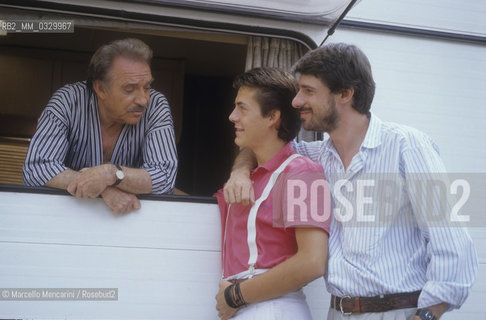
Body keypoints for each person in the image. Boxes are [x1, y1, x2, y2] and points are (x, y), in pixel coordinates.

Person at [223, 43, 477, 319]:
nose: (296, 101)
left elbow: (452, 245)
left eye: (308, 91)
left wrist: (428, 314)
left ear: (345, 94)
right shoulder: (315, 157)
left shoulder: (407, 146)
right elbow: (262, 145)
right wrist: (240, 171)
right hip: (338, 312)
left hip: (397, 312)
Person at [214, 67, 331, 319]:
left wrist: (236, 295)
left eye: (242, 108)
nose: (232, 116)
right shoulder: (250, 175)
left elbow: (312, 261)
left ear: (272, 117)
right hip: (251, 306)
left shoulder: (302, 172)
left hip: (272, 308)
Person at [23, 38, 178, 214]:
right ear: (101, 89)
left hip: (131, 222)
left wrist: (111, 174)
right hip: (65, 219)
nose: (143, 100)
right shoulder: (67, 101)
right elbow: (37, 167)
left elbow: (164, 178)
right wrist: (104, 188)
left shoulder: (156, 106)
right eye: (130, 89)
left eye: (147, 87)